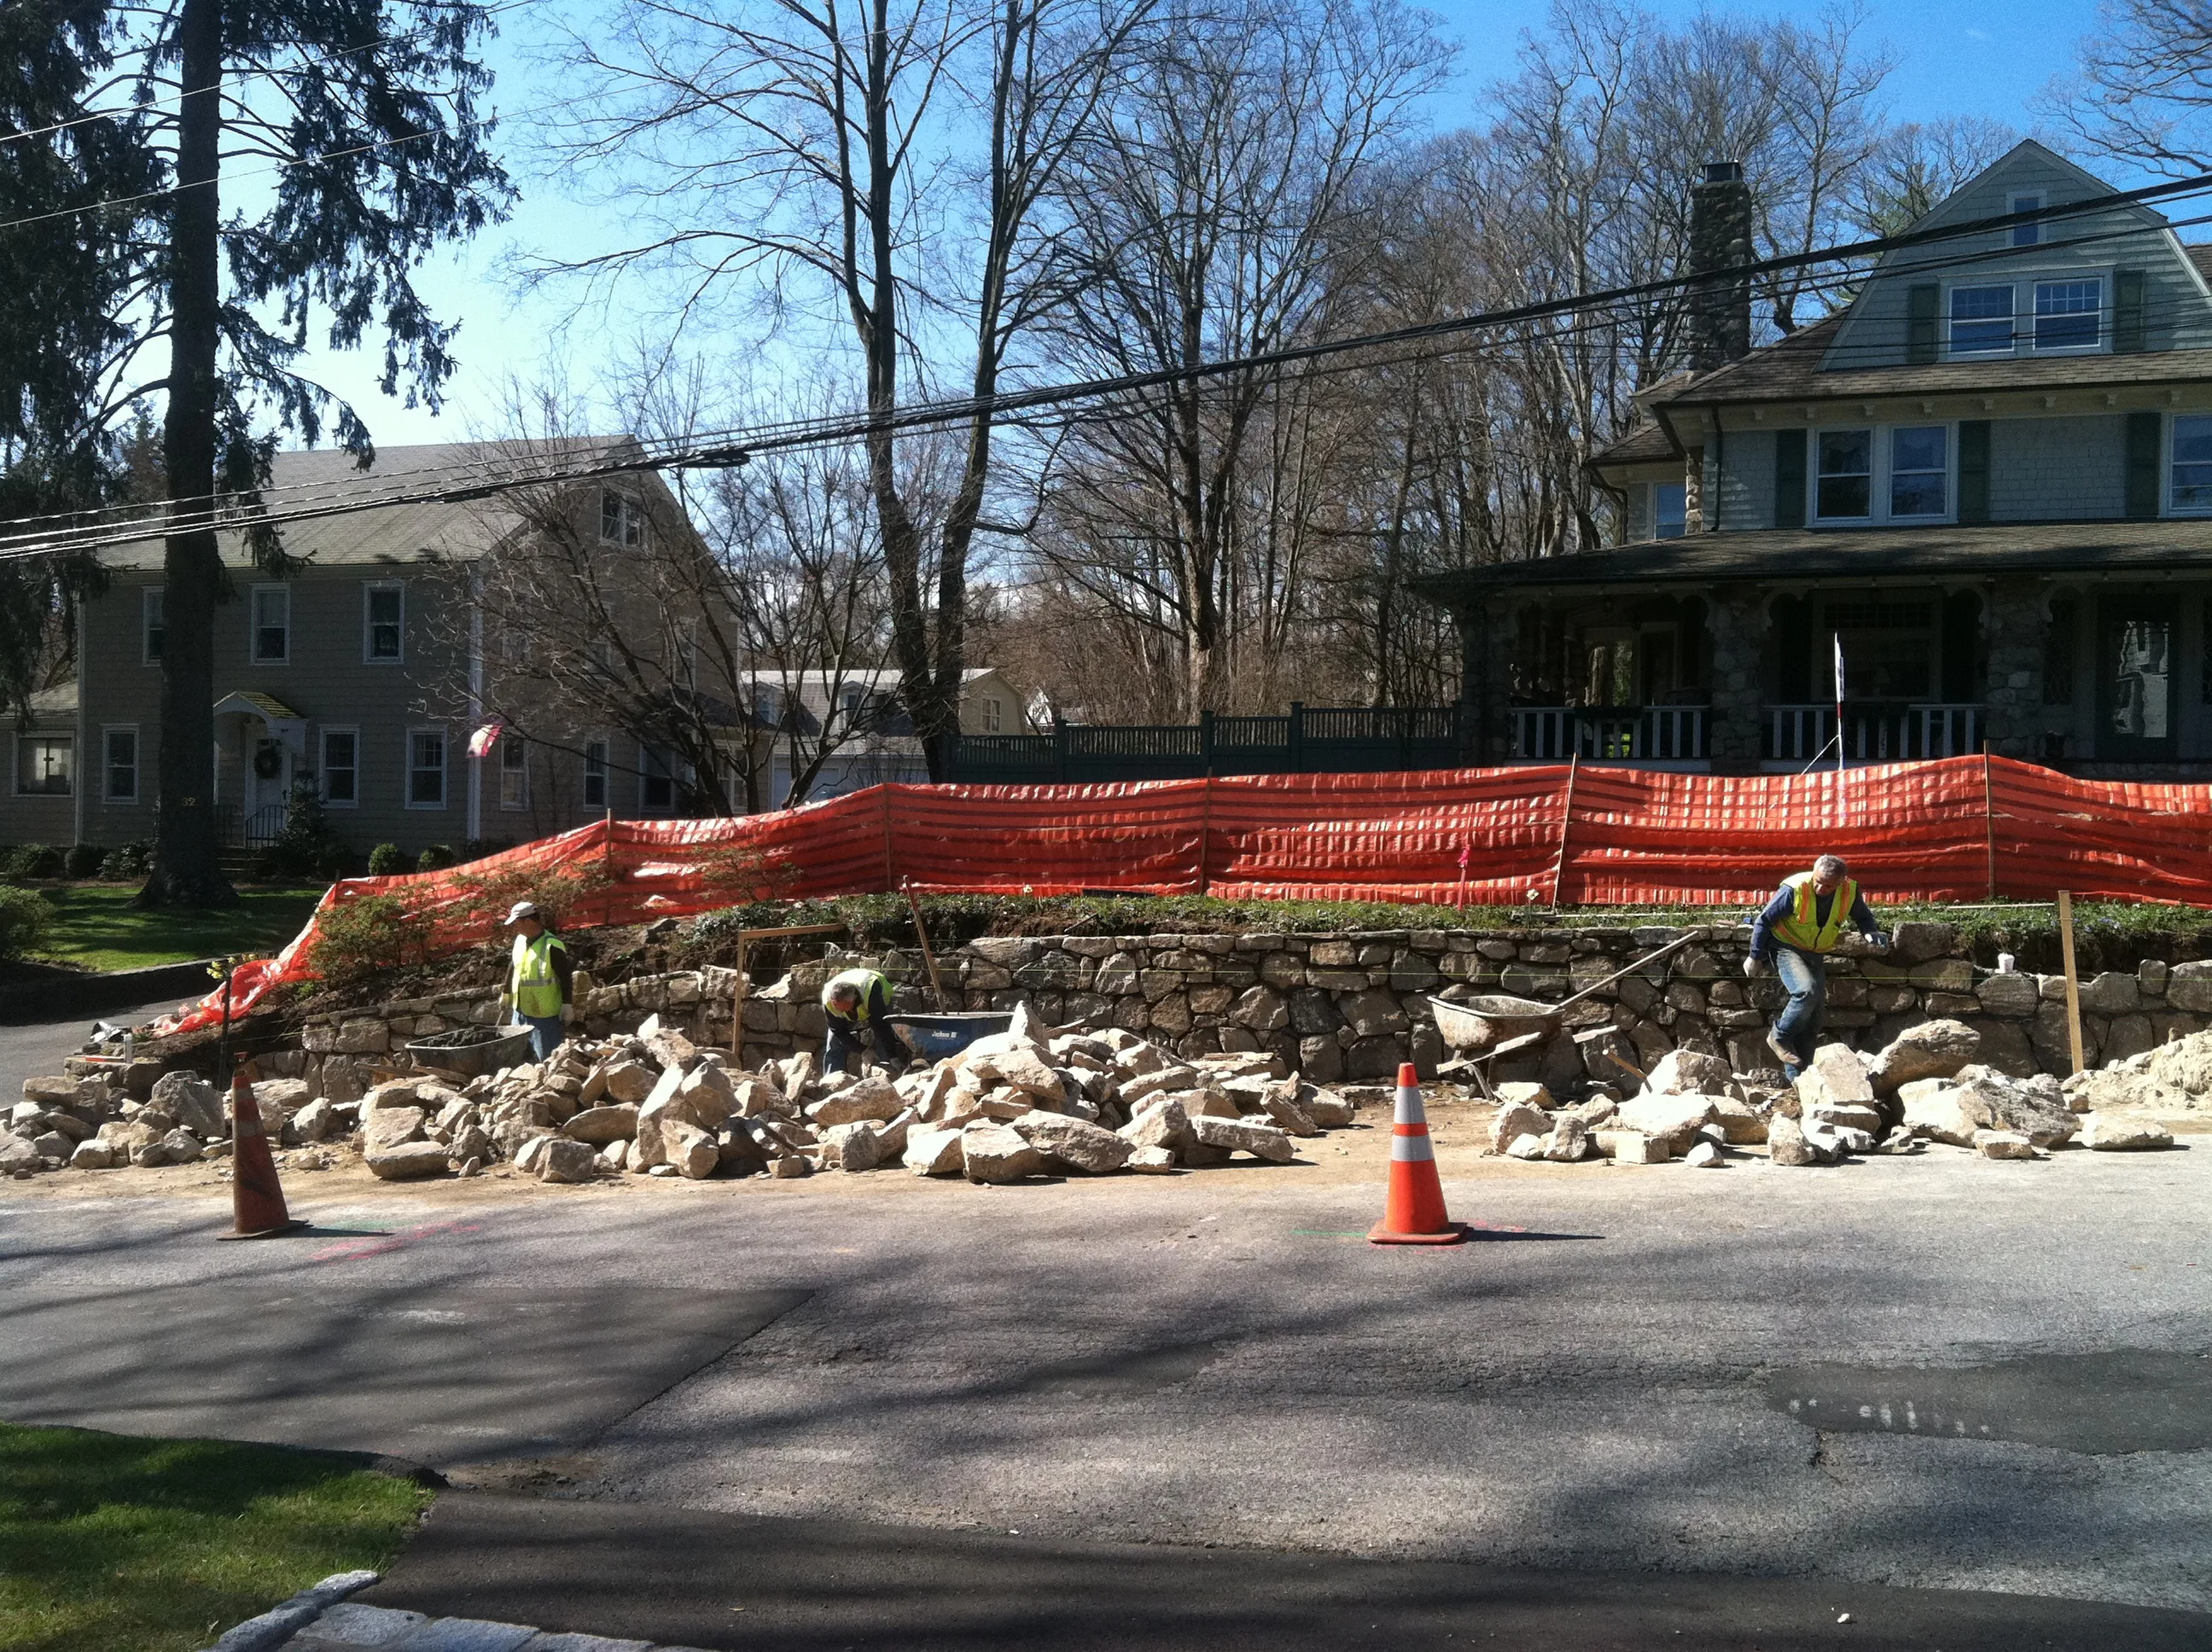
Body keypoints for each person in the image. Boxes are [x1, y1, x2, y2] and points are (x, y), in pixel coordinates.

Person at [1743, 854, 1889, 1082]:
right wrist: (1755, 957)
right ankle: (1779, 1036)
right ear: (1814, 873)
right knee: (1806, 991)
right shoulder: (1795, 888)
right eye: (1818, 881)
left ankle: (1800, 1079)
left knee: (1813, 1019)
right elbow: (1764, 920)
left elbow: (1862, 916)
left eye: (1828, 885)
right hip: (1785, 946)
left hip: (1815, 952)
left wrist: (1870, 931)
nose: (1820, 888)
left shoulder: (1849, 891)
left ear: (1841, 882)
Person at [500, 900, 574, 1060]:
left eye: (517, 923)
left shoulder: (551, 946)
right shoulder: (520, 941)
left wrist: (567, 1004)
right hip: (520, 1009)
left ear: (528, 921)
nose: (515, 927)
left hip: (544, 1014)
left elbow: (565, 976)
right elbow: (513, 965)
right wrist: (506, 993)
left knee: (547, 1057)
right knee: (519, 1055)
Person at [820, 966, 912, 1075]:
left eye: (845, 1008)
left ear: (853, 999)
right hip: (858, 1001)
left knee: (883, 1037)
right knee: (833, 1042)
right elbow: (839, 1032)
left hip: (877, 999)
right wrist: (863, 1051)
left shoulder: (870, 992)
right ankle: (832, 1079)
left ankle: (890, 1071)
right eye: (837, 1008)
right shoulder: (828, 1001)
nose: (841, 1012)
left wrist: (892, 1056)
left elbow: (881, 1026)